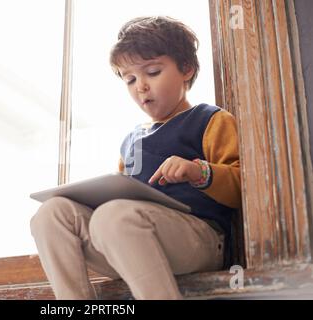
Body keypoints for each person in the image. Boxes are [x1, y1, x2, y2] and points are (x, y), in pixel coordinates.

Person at [30, 16, 241, 300]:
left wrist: (197, 172)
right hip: (128, 240)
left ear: (186, 69)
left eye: (152, 72)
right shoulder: (131, 141)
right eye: (129, 79)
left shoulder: (210, 120)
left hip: (200, 240)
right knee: (50, 214)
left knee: (113, 216)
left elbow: (242, 188)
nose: (140, 86)